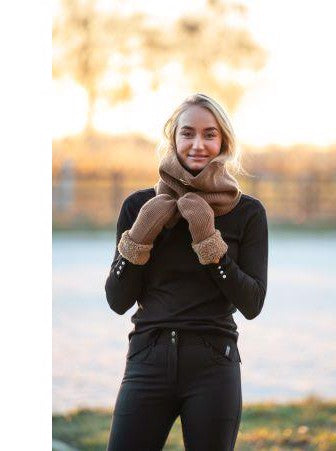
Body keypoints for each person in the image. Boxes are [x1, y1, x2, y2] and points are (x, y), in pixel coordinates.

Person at [105, 93, 268, 450]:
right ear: (173, 138)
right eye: (188, 133)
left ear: (224, 141)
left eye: (210, 134)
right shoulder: (139, 206)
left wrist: (209, 243)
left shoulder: (247, 213)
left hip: (214, 365)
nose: (198, 144)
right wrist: (139, 236)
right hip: (147, 359)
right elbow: (117, 300)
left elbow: (252, 303)